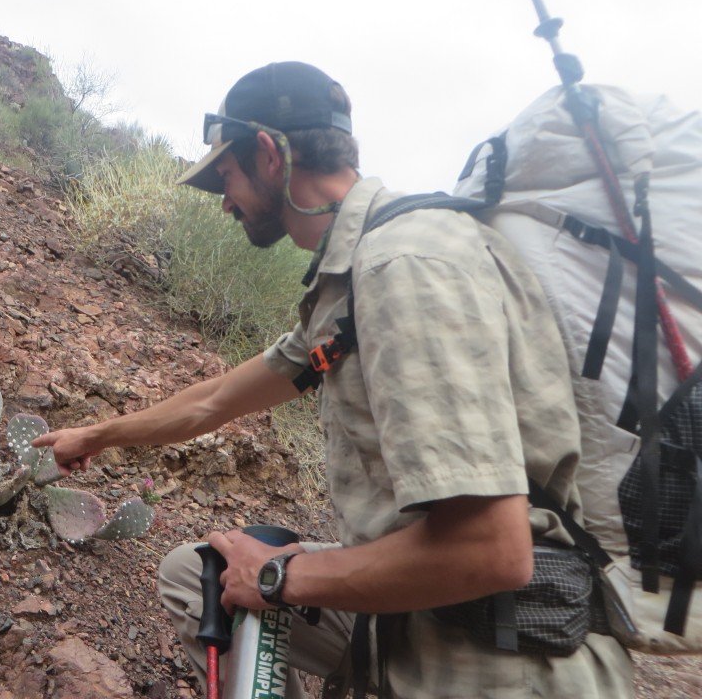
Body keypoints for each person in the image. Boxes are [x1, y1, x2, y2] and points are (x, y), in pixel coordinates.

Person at [33, 61, 633, 698]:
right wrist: (99, 435)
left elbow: (490, 550)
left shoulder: (403, 267)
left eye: (227, 176)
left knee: (244, 579)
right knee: (198, 575)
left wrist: (276, 579)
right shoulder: (344, 291)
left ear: (269, 154)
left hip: (502, 653)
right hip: (424, 611)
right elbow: (214, 400)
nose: (226, 200)